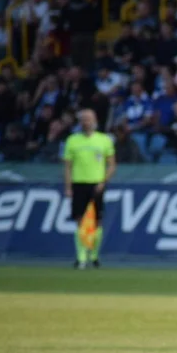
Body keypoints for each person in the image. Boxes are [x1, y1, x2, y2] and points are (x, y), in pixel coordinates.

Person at [63, 109, 116, 269]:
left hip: (96, 184)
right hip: (79, 183)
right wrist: (68, 186)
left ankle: (94, 255)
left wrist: (103, 181)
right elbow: (67, 167)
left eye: (89, 119)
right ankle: (81, 257)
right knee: (80, 220)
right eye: (83, 119)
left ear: (95, 121)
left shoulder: (104, 140)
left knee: (97, 221)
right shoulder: (72, 140)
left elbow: (112, 164)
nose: (86, 122)